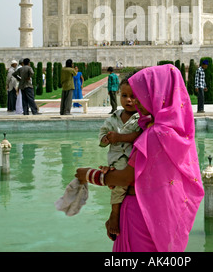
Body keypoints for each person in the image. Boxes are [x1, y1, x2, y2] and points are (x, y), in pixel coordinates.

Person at [76, 64, 204, 252]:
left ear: (156, 95)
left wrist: (87, 175)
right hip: (163, 212)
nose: (137, 102)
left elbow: (127, 177)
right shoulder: (175, 130)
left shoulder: (155, 134)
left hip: (140, 214)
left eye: (141, 95)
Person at [99, 74, 141, 238]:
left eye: (133, 96)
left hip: (133, 159)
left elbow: (139, 135)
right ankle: (114, 214)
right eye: (124, 96)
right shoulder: (114, 117)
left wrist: (119, 138)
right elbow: (103, 134)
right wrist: (105, 139)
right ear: (119, 95)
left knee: (121, 183)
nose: (129, 100)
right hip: (118, 159)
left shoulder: (142, 117)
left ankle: (115, 215)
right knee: (119, 185)